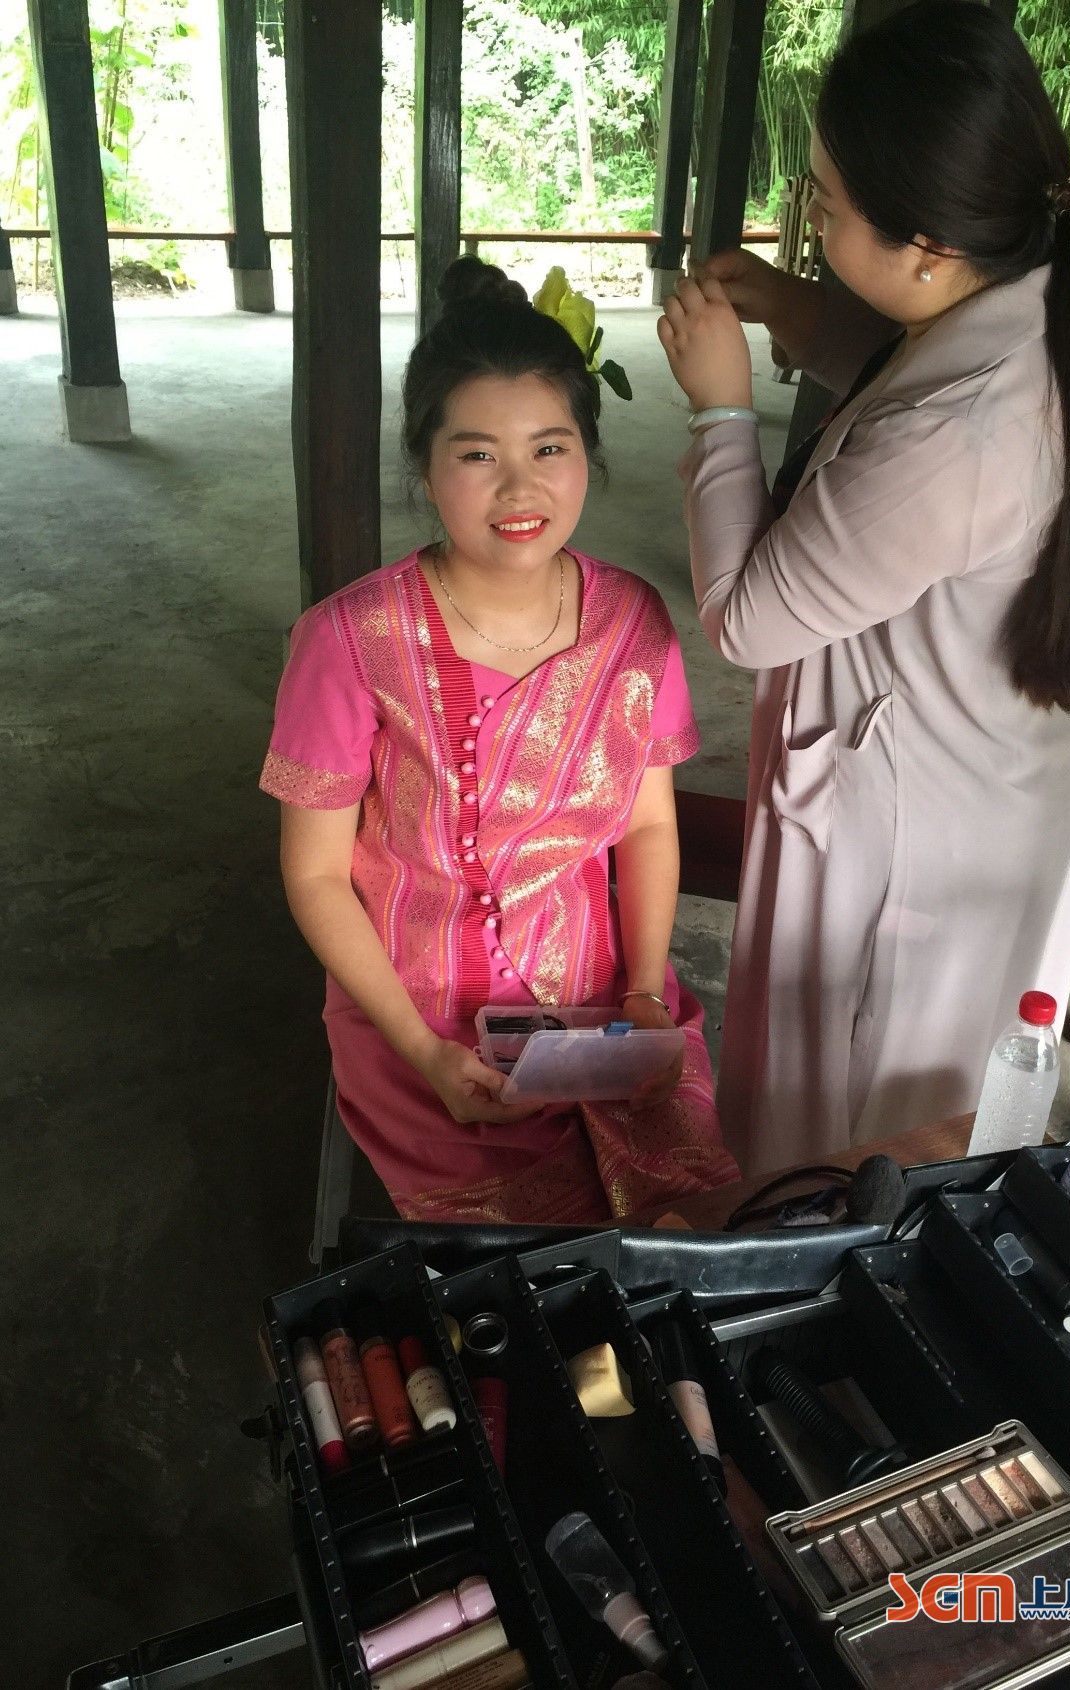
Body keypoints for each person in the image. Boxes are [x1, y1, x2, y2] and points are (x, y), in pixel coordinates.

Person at [657, 0, 1070, 1172]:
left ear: (924, 245)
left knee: (854, 1127)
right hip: (985, 773)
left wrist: (720, 410)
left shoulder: (962, 430)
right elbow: (902, 365)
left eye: (824, 206)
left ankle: (820, 1269)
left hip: (924, 833)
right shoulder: (1018, 294)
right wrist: (795, 309)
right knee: (893, 1097)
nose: (811, 221)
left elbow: (748, 618)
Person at [262, 257, 738, 1222]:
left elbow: (647, 827)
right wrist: (424, 1050)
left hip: (605, 1000)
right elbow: (314, 875)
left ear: (587, 453)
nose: (521, 487)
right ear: (425, 465)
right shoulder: (351, 639)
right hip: (419, 1015)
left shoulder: (632, 624)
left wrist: (645, 994)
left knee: (688, 1232)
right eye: (477, 454)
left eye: (550, 447)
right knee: (529, 1265)